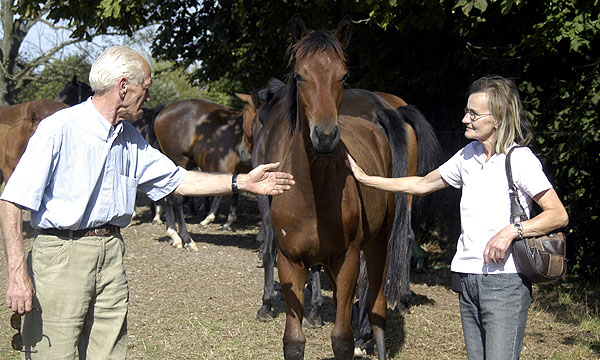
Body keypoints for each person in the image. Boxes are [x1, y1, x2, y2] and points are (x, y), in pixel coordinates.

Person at [0, 45, 294, 359]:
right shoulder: (59, 129)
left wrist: (242, 181)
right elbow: (12, 200)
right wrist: (17, 273)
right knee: (53, 354)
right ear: (123, 86)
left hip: (111, 253)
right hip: (61, 257)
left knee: (110, 354)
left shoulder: (128, 137)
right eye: (146, 88)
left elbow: (178, 179)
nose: (149, 97)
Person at [346, 75, 568, 360]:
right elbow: (422, 184)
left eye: (474, 114)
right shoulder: (467, 156)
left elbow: (557, 214)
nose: (465, 119)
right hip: (468, 281)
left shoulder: (520, 159)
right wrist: (367, 179)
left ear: (498, 118)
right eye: (467, 111)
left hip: (505, 284)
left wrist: (512, 231)